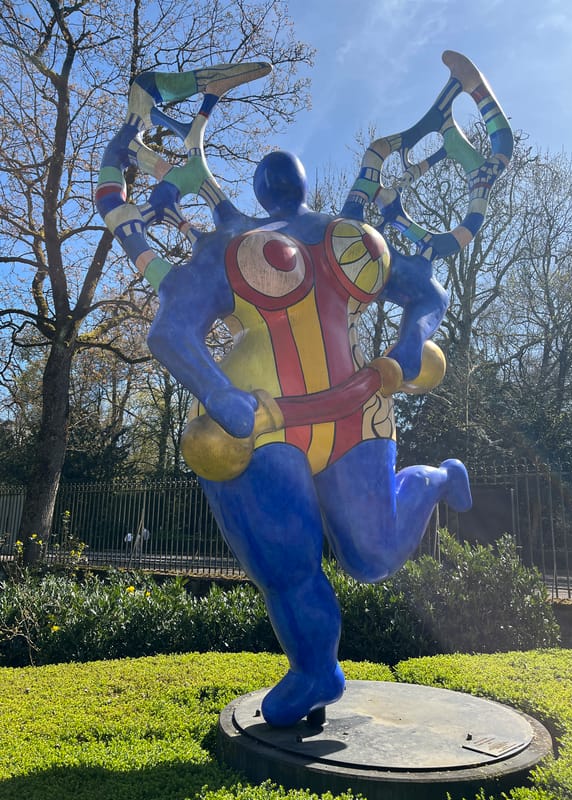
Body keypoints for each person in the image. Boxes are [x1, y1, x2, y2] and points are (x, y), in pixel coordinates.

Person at [97, 54, 512, 727]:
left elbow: (426, 291)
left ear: (276, 187)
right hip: (262, 430)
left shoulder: (344, 235)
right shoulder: (228, 246)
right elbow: (173, 333)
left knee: (373, 558)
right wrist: (220, 397)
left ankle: (434, 480)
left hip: (358, 408)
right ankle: (315, 670)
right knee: (287, 563)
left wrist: (410, 342)